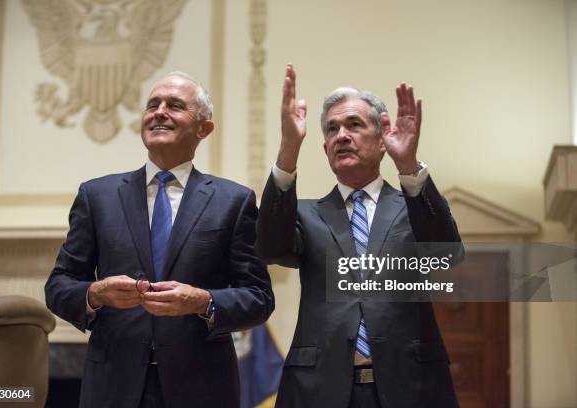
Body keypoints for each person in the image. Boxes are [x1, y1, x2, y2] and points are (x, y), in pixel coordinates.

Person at [46, 72, 274, 408]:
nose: (159, 111)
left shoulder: (234, 201)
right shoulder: (97, 196)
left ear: (204, 128)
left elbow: (258, 297)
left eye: (175, 105)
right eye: (153, 104)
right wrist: (95, 293)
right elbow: (58, 286)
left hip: (202, 386)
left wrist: (202, 301)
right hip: (113, 384)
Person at [256, 64, 462, 408]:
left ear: (383, 139)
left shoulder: (412, 206)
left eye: (354, 124)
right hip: (319, 390)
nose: (341, 135)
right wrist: (288, 149)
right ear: (325, 150)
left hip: (411, 387)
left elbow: (446, 254)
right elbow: (270, 247)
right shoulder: (306, 215)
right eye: (332, 129)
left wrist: (409, 165)